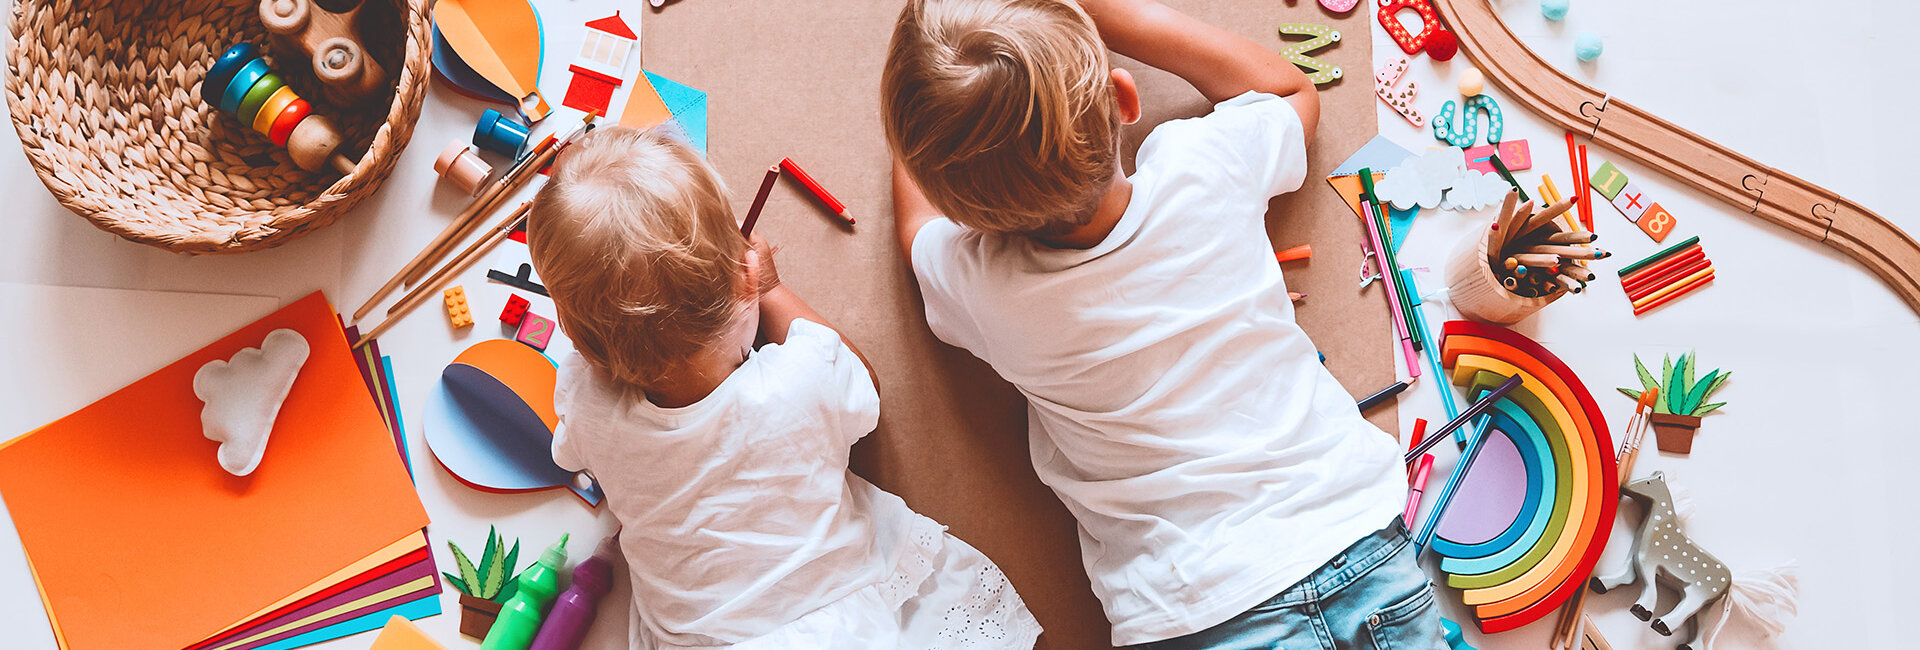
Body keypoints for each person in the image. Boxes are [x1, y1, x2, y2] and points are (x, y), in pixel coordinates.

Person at [882, 0, 1441, 647]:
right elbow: (1291, 89)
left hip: (1190, 607)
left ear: (961, 205)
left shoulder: (979, 286)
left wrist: (931, 104)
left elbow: (915, 225)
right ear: (1124, 96)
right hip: (1357, 544)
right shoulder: (1204, 164)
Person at [529, 126, 1042, 649]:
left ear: (573, 335)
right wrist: (772, 290)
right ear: (744, 279)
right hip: (838, 626)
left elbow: (571, 454)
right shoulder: (800, 381)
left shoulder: (587, 404)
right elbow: (864, 386)